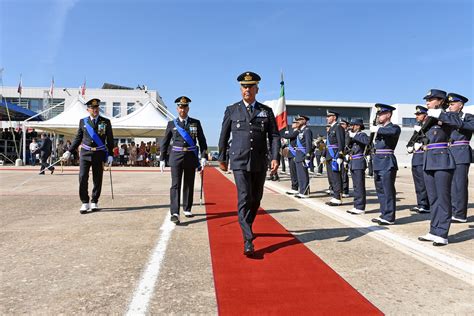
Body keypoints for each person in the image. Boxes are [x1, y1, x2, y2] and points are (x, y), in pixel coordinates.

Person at [218, 71, 280, 256]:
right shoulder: (232, 110)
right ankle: (248, 240)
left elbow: (274, 136)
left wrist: (275, 157)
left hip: (259, 161)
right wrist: (222, 158)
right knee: (244, 196)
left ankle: (247, 225)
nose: (247, 90)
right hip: (239, 160)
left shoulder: (266, 111)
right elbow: (223, 135)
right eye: (244, 87)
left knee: (256, 198)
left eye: (251, 87)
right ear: (240, 89)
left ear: (257, 89)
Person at [417, 89, 457, 246]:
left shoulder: (448, 115)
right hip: (428, 159)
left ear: (440, 101)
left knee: (443, 197)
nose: (427, 102)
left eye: (431, 99)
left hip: (442, 158)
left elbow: (457, 123)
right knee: (433, 198)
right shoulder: (428, 118)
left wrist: (439, 115)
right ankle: (434, 230)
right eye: (427, 99)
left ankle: (442, 233)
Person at [160, 96, 208, 224]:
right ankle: (175, 212)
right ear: (177, 109)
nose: (183, 109)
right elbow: (165, 142)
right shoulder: (172, 124)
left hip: (191, 157)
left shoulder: (195, 123)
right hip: (176, 156)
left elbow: (202, 140)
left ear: (188, 108)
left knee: (188, 183)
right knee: (175, 185)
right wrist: (162, 158)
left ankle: (187, 208)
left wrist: (204, 156)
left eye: (185, 107)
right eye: (180, 107)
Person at [62, 98, 114, 214]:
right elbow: (78, 138)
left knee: (97, 179)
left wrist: (110, 154)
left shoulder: (105, 122)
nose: (95, 110)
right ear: (88, 109)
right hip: (85, 154)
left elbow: (110, 139)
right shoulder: (83, 122)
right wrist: (69, 151)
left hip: (99, 154)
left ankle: (94, 201)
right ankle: (85, 202)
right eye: (93, 108)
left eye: (97, 107)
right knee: (82, 177)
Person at [439, 93, 472, 223]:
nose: (450, 106)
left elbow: (470, 126)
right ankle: (453, 210)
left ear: (461, 105)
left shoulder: (468, 117)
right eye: (449, 104)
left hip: (461, 152)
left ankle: (460, 214)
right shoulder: (448, 117)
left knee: (459, 184)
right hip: (449, 152)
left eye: (453, 104)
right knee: (450, 185)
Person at [370, 104, 401, 225]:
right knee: (380, 190)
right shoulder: (380, 129)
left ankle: (389, 217)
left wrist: (377, 129)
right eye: (378, 114)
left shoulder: (394, 128)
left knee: (388, 190)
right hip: (377, 161)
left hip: (387, 161)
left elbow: (392, 132)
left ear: (388, 115)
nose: (379, 116)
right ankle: (384, 213)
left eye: (381, 114)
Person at [406, 105, 430, 214]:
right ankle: (421, 203)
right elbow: (412, 140)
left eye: (419, 114)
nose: (417, 116)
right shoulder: (418, 127)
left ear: (425, 115)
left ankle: (425, 205)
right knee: (418, 183)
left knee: (424, 183)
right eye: (416, 114)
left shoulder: (428, 126)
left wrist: (420, 144)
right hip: (416, 157)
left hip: (423, 156)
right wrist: (410, 145)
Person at [346, 118, 370, 215]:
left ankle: (360, 207)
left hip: (359, 162)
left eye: (354, 125)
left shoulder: (362, 135)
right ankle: (356, 205)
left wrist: (354, 136)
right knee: (355, 186)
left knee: (359, 186)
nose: (352, 127)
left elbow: (367, 142)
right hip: (353, 162)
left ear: (358, 126)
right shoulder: (353, 136)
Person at [325, 110, 345, 206]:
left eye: (329, 116)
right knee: (331, 177)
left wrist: (340, 155)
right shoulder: (331, 128)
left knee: (336, 177)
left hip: (335, 155)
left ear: (334, 117)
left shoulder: (338, 127)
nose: (327, 118)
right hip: (329, 155)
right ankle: (334, 195)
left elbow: (341, 142)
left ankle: (338, 197)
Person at [293, 115, 313, 198]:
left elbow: (308, 144)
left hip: (303, 155)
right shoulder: (300, 131)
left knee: (303, 174)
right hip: (298, 155)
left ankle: (305, 192)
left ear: (305, 121)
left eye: (300, 119)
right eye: (297, 120)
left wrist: (308, 156)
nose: (298, 121)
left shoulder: (307, 130)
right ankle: (301, 190)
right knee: (299, 174)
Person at [282, 118, 300, 195]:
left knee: (294, 172)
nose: (292, 124)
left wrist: (285, 134)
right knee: (292, 172)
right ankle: (294, 187)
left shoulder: (297, 132)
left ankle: (295, 187)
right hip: (291, 153)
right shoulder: (294, 132)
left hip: (294, 154)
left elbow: (288, 136)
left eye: (294, 123)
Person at [339, 119, 351, 198]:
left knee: (344, 174)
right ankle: (340, 189)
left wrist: (346, 158)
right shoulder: (341, 133)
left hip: (345, 155)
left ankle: (345, 190)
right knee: (339, 173)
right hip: (340, 155)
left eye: (343, 124)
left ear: (347, 125)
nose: (341, 125)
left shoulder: (348, 134)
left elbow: (347, 146)